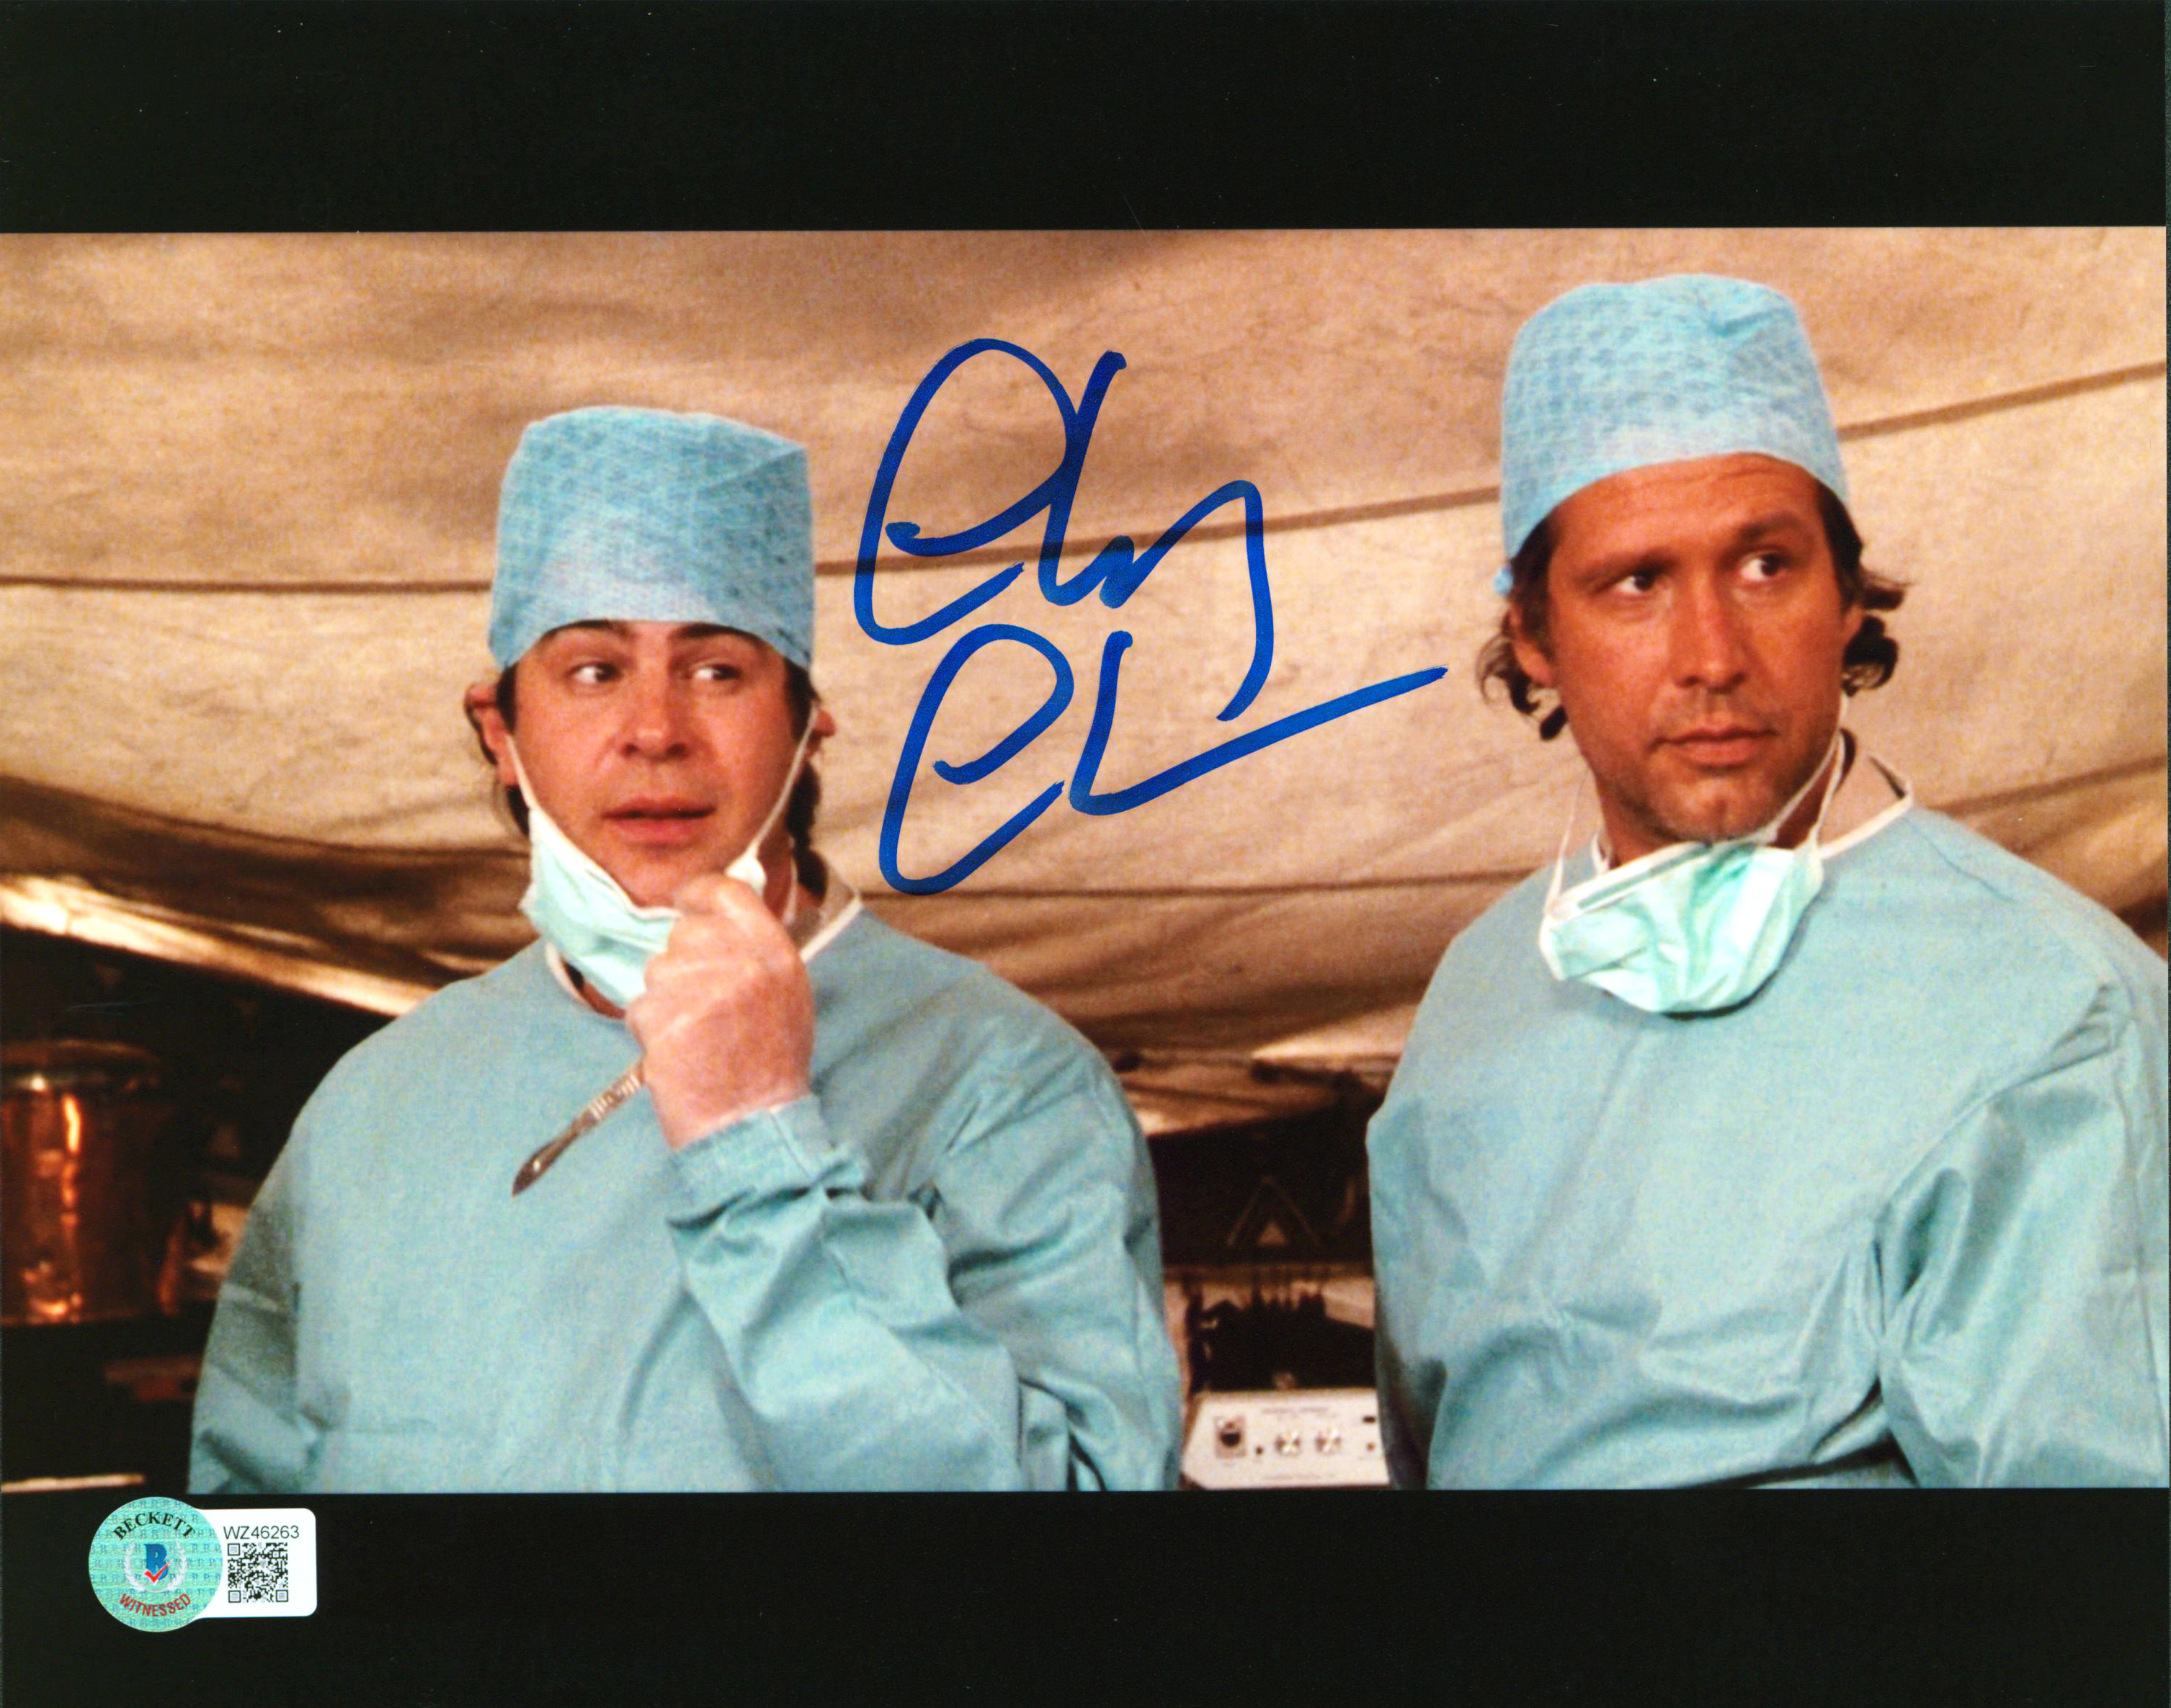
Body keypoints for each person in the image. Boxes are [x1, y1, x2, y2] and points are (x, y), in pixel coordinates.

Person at [191, 406, 1182, 1490]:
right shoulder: (373, 1105)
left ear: (806, 728)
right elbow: (244, 1532)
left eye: (716, 669)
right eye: (592, 670)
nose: (656, 729)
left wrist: (757, 1144)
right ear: (500, 733)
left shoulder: (1004, 1087)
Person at [1368, 276, 2169, 1488]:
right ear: (1533, 637)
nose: (1711, 657)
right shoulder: (1479, 993)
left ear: (1844, 599)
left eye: (1763, 566)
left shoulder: (2052, 1010)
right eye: (1635, 582)